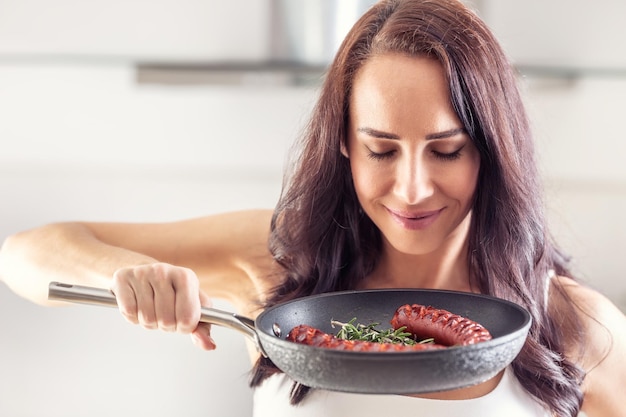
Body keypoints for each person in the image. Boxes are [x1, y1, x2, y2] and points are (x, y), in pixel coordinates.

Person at [1, 0, 625, 416]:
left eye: (446, 150)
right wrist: (125, 278)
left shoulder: (571, 324)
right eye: (381, 150)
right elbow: (23, 255)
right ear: (344, 150)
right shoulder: (279, 263)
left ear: (491, 151)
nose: (411, 189)